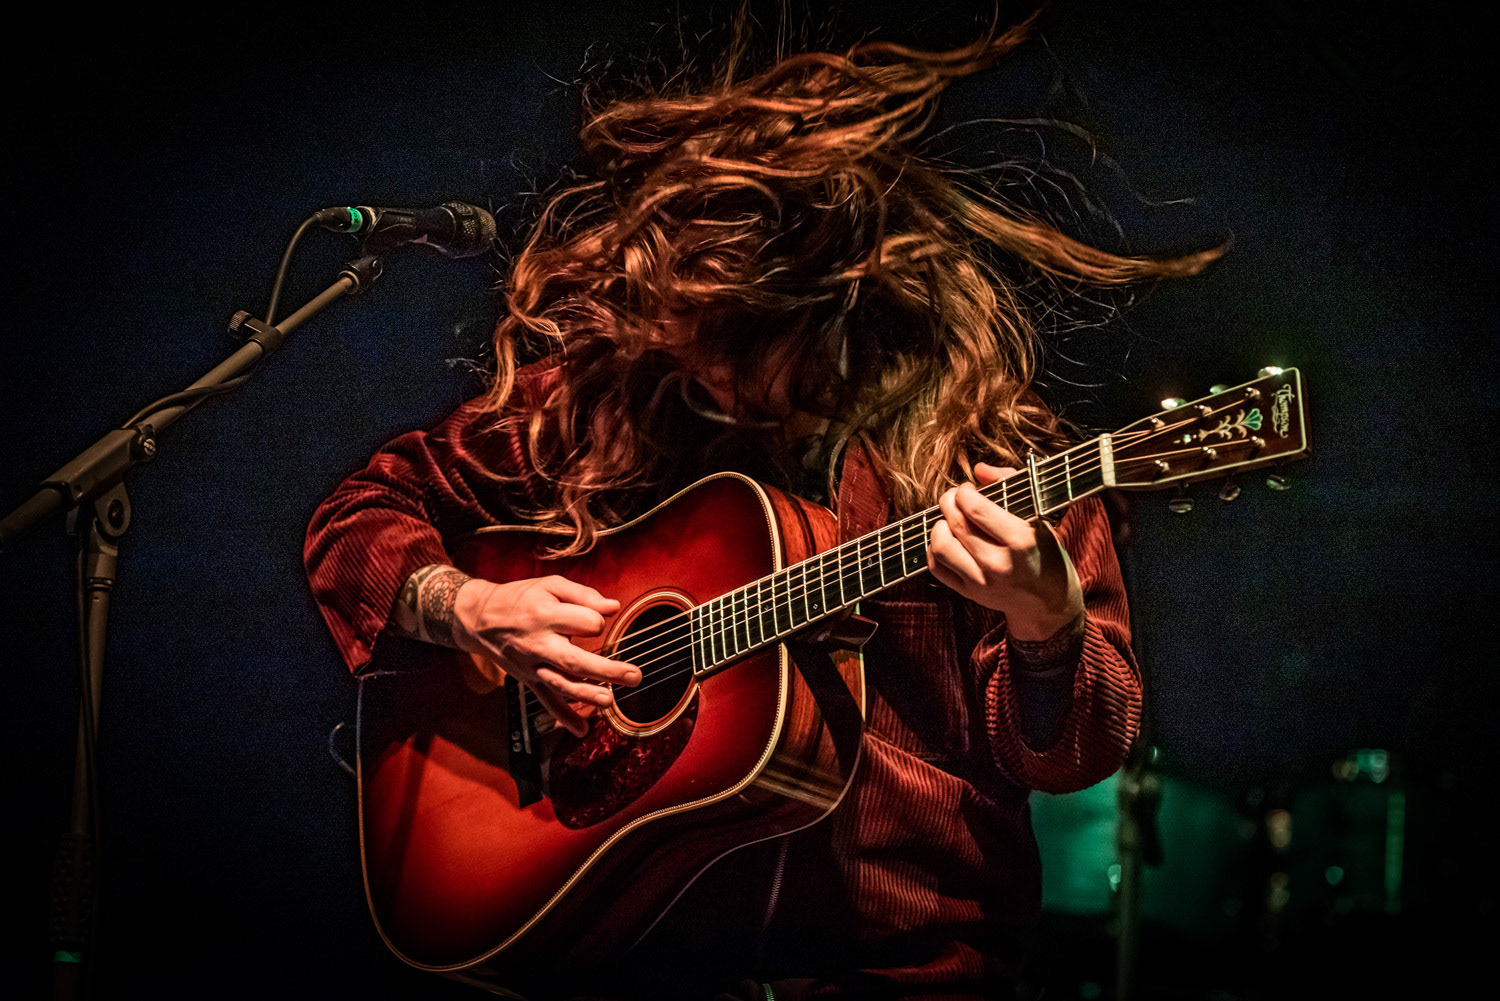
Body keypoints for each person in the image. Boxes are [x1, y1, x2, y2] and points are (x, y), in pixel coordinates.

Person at [305, 13, 1216, 1000]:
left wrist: (1048, 619)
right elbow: (364, 511)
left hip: (904, 972)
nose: (705, 371)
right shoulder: (623, 392)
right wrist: (467, 605)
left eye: (737, 342)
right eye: (686, 335)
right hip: (637, 970)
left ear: (833, 305)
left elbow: (1077, 751)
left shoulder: (990, 453)